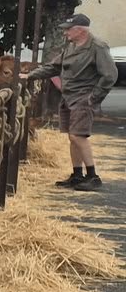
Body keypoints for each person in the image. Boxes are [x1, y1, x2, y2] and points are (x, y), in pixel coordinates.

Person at [39, 13, 112, 190]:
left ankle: (93, 177)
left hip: (83, 97)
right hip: (69, 97)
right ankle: (77, 175)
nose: (65, 33)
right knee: (72, 136)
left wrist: (94, 97)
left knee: (78, 136)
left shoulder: (98, 47)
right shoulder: (71, 47)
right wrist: (30, 75)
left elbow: (109, 75)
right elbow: (54, 67)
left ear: (80, 30)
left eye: (68, 29)